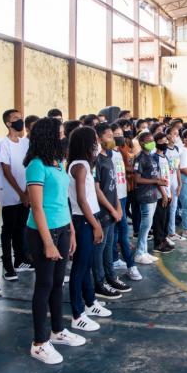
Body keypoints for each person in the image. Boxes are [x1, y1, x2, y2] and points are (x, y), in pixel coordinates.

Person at [24, 118, 84, 364]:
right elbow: (37, 207)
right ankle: (39, 343)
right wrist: (48, 242)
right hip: (42, 232)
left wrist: (70, 230)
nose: (64, 138)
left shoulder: (59, 163)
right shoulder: (36, 166)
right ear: (48, 137)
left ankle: (58, 331)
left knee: (58, 282)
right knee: (44, 284)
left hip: (62, 228)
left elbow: (63, 201)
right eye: (59, 134)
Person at [66, 126, 110, 333]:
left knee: (87, 266)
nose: (97, 142)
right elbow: (82, 200)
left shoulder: (83, 164)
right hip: (83, 221)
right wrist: (95, 224)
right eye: (94, 139)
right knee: (79, 268)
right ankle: (77, 314)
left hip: (89, 218)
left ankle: (90, 302)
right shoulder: (80, 166)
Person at [93, 123, 129, 298]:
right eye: (108, 135)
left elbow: (113, 187)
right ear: (99, 138)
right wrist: (111, 208)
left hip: (112, 209)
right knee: (100, 248)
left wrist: (118, 207)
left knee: (109, 246)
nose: (112, 139)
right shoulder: (96, 160)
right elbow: (97, 189)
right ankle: (99, 282)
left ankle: (110, 276)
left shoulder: (109, 157)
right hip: (102, 211)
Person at [0, 109, 32, 281]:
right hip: (11, 195)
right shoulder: (3, 143)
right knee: (9, 230)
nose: (20, 121)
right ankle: (7, 265)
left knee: (21, 227)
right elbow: (6, 170)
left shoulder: (24, 143)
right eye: (16, 119)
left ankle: (20, 259)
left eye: (21, 118)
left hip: (25, 194)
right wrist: (20, 192)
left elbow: (28, 167)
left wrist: (26, 192)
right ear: (8, 123)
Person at [110, 124, 142, 281]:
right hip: (114, 198)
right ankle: (131, 265)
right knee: (122, 231)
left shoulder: (118, 152)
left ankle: (115, 260)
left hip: (122, 195)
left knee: (118, 232)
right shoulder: (107, 155)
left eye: (120, 133)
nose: (119, 136)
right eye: (115, 134)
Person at [133, 131, 166, 263]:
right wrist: (155, 181)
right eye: (148, 140)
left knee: (148, 224)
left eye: (152, 140)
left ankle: (144, 251)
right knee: (145, 225)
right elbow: (137, 179)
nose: (151, 142)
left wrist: (159, 180)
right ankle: (139, 253)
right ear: (141, 143)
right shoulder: (140, 158)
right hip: (145, 195)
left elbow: (153, 175)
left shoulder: (151, 156)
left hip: (153, 194)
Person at [151, 133, 174, 254]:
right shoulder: (154, 158)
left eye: (166, 141)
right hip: (160, 194)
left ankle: (164, 239)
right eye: (161, 141)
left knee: (165, 218)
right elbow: (157, 177)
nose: (164, 143)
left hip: (168, 192)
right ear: (156, 143)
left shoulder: (165, 157)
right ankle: (158, 243)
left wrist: (169, 193)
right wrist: (164, 193)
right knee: (159, 219)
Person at [164, 125, 183, 242]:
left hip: (175, 183)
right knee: (165, 209)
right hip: (166, 184)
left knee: (173, 208)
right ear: (168, 136)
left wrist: (180, 183)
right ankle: (165, 233)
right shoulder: (164, 149)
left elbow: (177, 168)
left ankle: (171, 232)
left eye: (177, 134)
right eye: (174, 134)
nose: (177, 136)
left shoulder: (176, 149)